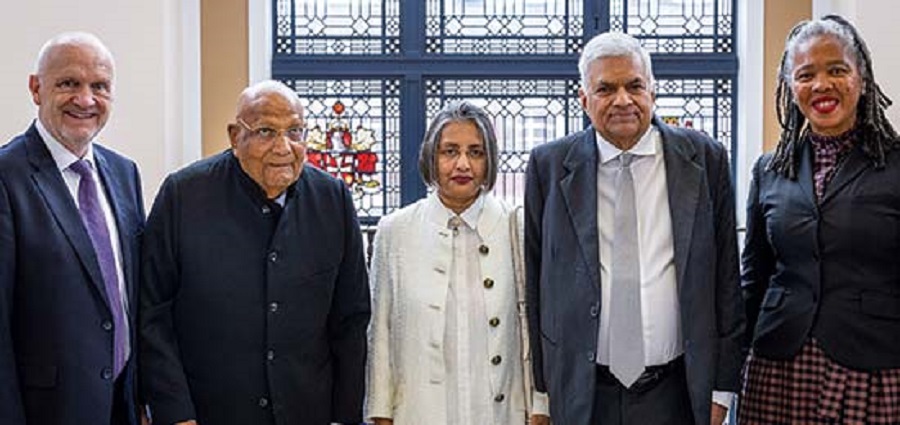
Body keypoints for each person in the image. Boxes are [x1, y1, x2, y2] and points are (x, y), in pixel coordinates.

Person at [524, 31, 744, 425]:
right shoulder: (549, 166)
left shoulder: (705, 159)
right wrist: (542, 393)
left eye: (634, 86)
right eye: (606, 89)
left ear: (652, 91)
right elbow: (537, 284)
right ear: (584, 99)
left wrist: (722, 388)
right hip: (582, 394)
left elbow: (727, 280)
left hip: (678, 392)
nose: (623, 100)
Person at [139, 80, 371, 425]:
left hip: (308, 411)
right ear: (235, 137)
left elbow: (351, 319)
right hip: (209, 412)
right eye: (266, 132)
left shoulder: (332, 199)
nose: (284, 147)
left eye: (295, 132)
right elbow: (153, 313)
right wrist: (175, 413)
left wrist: (344, 416)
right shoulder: (183, 196)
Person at [740, 15, 900, 424]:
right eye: (806, 74)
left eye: (837, 70)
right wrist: (729, 368)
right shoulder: (769, 170)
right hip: (778, 364)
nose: (821, 85)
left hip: (873, 365)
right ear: (790, 86)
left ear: (861, 78)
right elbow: (754, 277)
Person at [366, 100, 550, 424]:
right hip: (419, 412)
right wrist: (380, 412)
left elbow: (538, 324)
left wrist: (540, 405)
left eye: (475, 152)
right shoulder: (395, 230)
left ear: (489, 160)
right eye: (450, 151)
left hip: (501, 411)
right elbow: (379, 331)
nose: (463, 164)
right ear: (431, 157)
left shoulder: (518, 226)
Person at [0, 32, 145, 425]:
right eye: (68, 83)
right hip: (46, 411)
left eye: (99, 86)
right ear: (36, 88)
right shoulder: (7, 178)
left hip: (122, 406)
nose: (85, 99)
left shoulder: (124, 173)